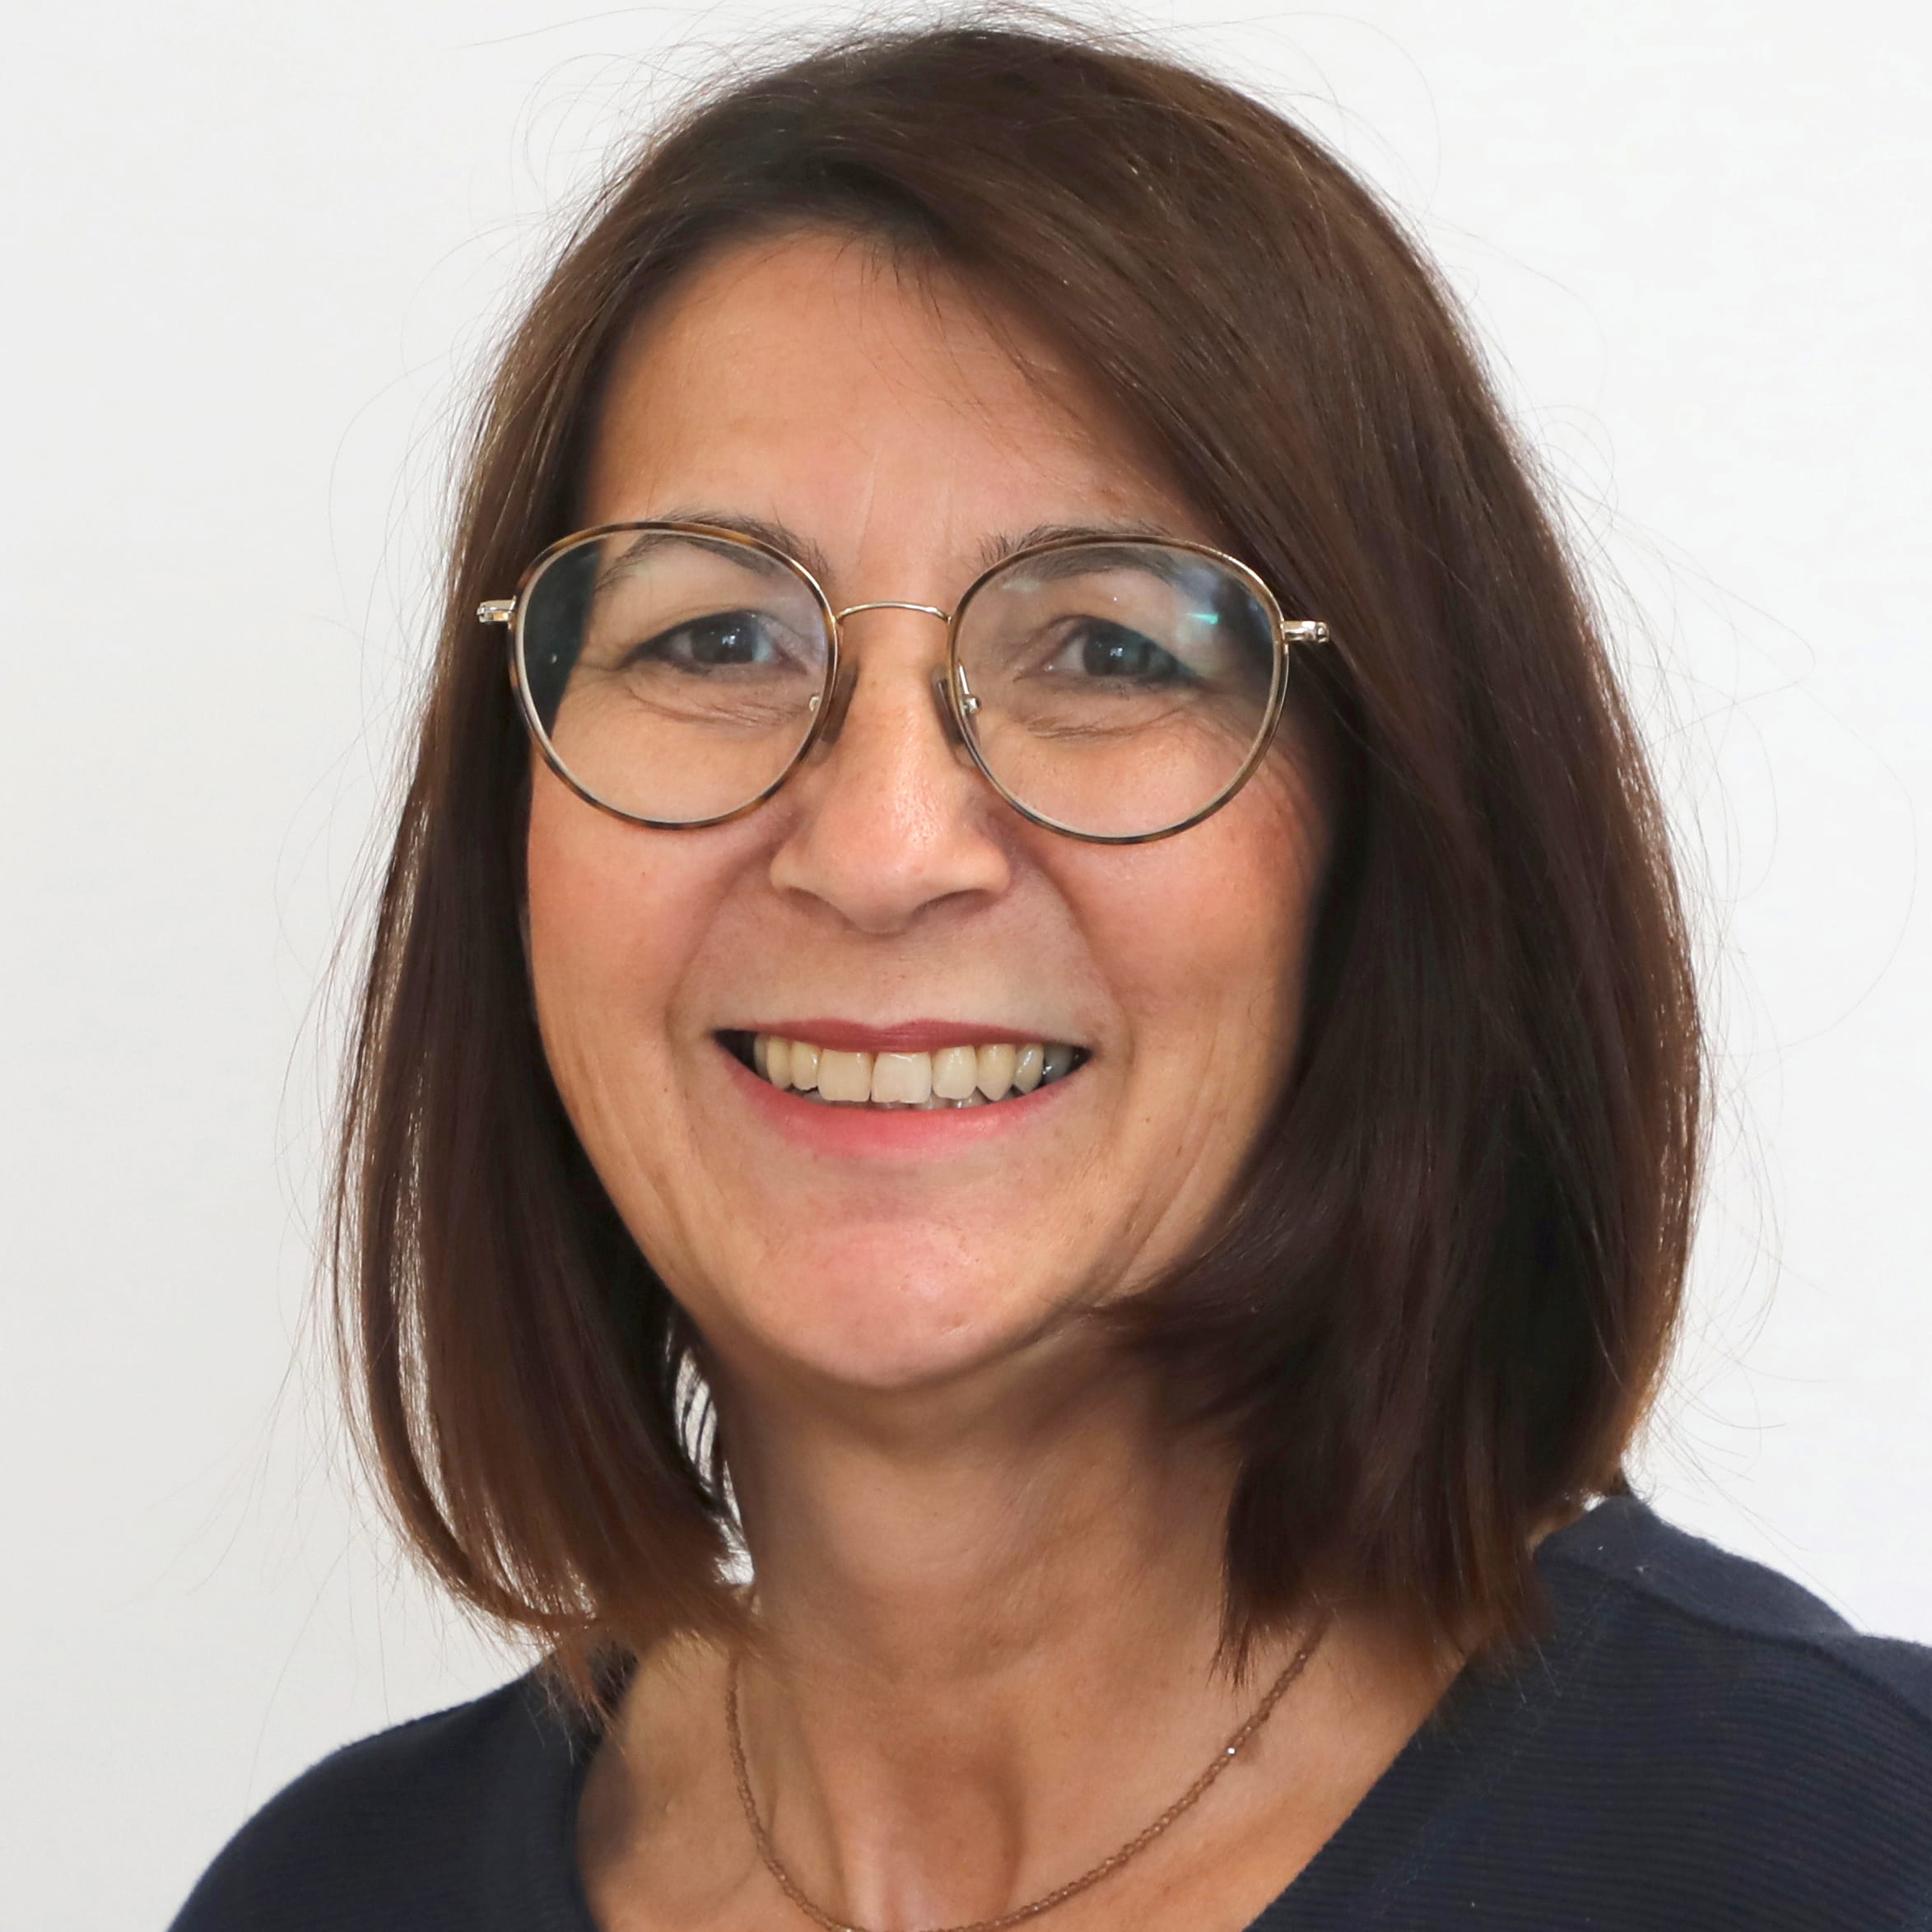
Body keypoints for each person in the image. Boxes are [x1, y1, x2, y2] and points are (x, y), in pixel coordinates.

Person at [170, 22, 1932, 1932]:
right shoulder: (327, 1898)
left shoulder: (1844, 1856)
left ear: (1393, 843)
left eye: (1107, 649)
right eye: (719, 637)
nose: (881, 845)